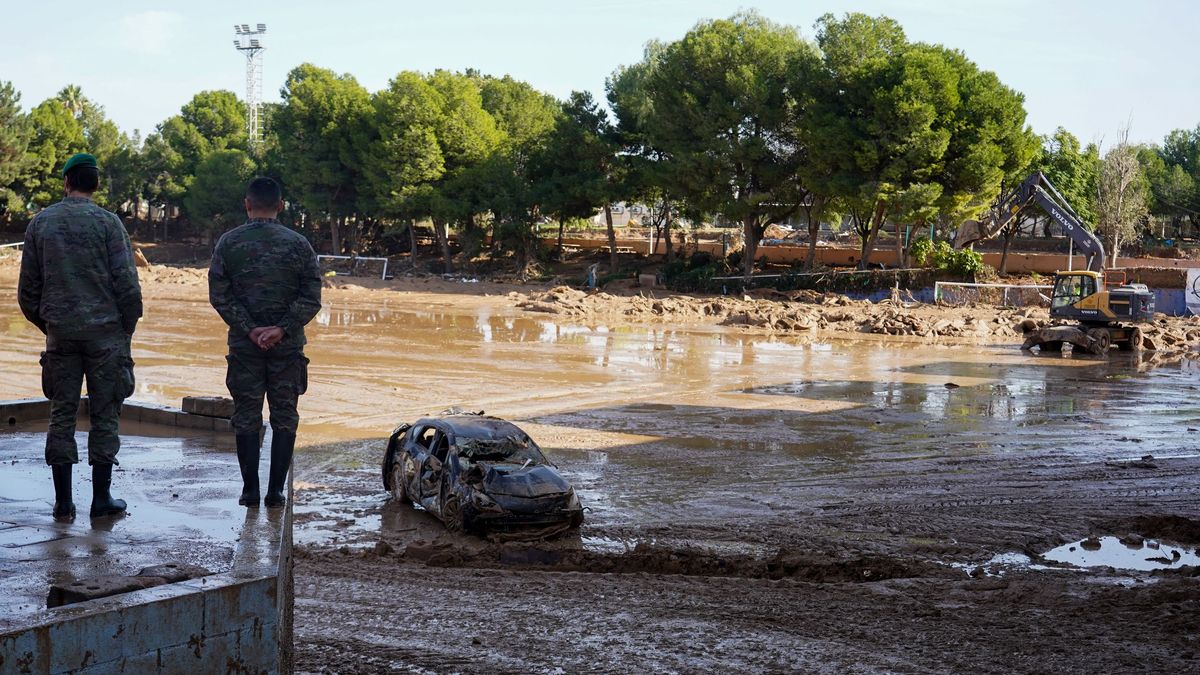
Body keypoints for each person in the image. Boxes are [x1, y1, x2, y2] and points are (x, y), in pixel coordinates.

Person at [17, 153, 142, 520]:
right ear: (95, 185)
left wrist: (52, 325)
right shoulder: (109, 224)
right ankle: (101, 499)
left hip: (61, 337)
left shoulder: (41, 224)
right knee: (105, 416)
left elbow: (28, 292)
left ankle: (63, 502)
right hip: (106, 338)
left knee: (62, 415)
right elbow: (128, 288)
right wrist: (125, 331)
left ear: (67, 182)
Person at [209, 177, 321, 508]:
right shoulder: (300, 244)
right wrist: (282, 329)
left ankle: (250, 490)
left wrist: (249, 330)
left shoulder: (228, 243)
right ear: (281, 206)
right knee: (284, 416)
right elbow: (311, 297)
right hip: (286, 348)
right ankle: (276, 492)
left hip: (245, 348)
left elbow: (220, 295)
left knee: (246, 415)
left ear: (247, 204)